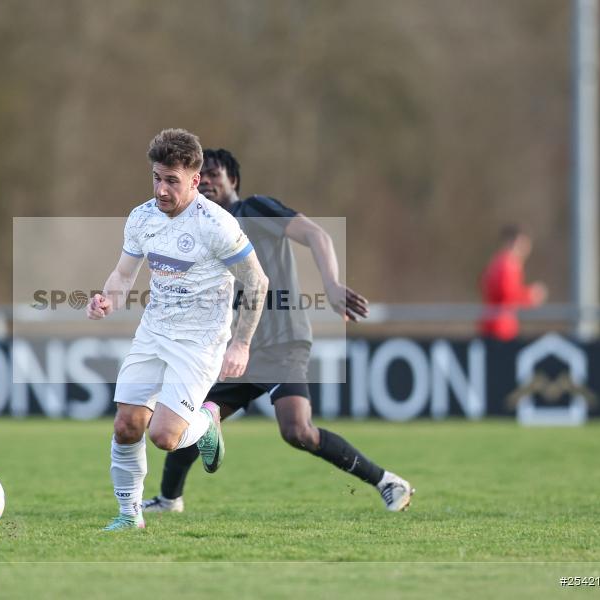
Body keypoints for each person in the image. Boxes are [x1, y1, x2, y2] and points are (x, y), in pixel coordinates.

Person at [142, 148, 415, 515]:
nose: (205, 180)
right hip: (238, 348)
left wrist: (332, 284)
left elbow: (317, 235)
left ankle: (387, 482)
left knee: (298, 431)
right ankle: (169, 499)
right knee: (192, 419)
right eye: (199, 175)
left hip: (282, 342)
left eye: (213, 173)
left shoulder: (255, 210)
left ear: (232, 180)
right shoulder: (200, 227)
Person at [88, 131, 269, 531]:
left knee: (165, 436)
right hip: (153, 332)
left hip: (199, 342)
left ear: (194, 178)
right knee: (126, 424)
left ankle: (208, 421)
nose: (161, 189)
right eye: (156, 177)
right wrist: (106, 299)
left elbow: (257, 282)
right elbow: (123, 274)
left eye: (172, 180)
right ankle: (129, 516)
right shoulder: (142, 217)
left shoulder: (216, 224)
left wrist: (240, 344)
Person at [479, 225, 547, 341]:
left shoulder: (498, 261)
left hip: (493, 322)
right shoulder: (509, 264)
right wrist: (530, 295)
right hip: (501, 326)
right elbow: (508, 294)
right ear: (515, 242)